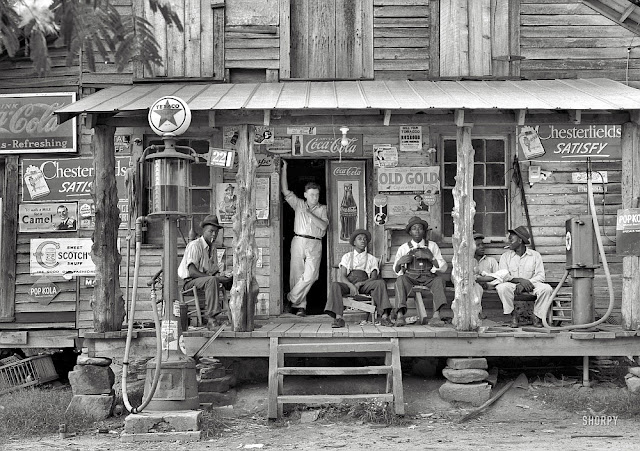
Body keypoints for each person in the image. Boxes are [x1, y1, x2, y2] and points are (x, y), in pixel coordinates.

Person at [281, 159, 328, 316]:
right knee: (296, 274)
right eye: (312, 194)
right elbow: (285, 191)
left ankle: (290, 298)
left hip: (315, 242)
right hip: (298, 240)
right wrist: (285, 168)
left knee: (311, 275)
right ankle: (300, 307)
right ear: (305, 195)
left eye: (317, 194)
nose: (315, 197)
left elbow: (323, 226)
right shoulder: (299, 204)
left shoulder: (322, 208)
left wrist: (309, 214)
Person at [325, 229, 393, 328]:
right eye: (360, 239)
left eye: (365, 239)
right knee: (335, 285)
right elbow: (343, 276)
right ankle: (339, 318)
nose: (363, 241)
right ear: (354, 242)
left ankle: (384, 317)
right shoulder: (347, 257)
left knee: (380, 283)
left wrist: (360, 284)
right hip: (349, 283)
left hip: (365, 284)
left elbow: (373, 277)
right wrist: (351, 285)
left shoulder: (371, 258)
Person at [178, 215, 233, 328]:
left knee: (231, 280)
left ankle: (237, 314)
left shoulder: (212, 248)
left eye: (216, 232)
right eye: (211, 231)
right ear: (203, 231)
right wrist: (214, 277)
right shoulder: (195, 245)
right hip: (190, 283)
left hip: (205, 281)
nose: (214, 234)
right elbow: (192, 272)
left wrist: (223, 275)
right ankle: (211, 319)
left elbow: (213, 271)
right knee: (212, 280)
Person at [393, 216, 448, 326]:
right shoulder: (404, 248)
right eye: (414, 228)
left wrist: (430, 257)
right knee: (400, 280)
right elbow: (396, 270)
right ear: (410, 232)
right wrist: (400, 262)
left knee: (439, 281)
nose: (417, 231)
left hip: (428, 277)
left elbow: (443, 268)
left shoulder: (432, 246)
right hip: (410, 277)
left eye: (420, 228)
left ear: (424, 231)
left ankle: (436, 316)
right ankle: (400, 316)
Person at [494, 225, 553, 328]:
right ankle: (514, 315)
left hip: (532, 285)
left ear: (520, 240)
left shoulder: (535, 255)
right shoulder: (505, 256)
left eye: (511, 238)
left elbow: (540, 276)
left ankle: (537, 316)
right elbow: (503, 276)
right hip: (513, 286)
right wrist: (521, 281)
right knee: (501, 287)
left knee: (547, 289)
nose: (508, 241)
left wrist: (527, 282)